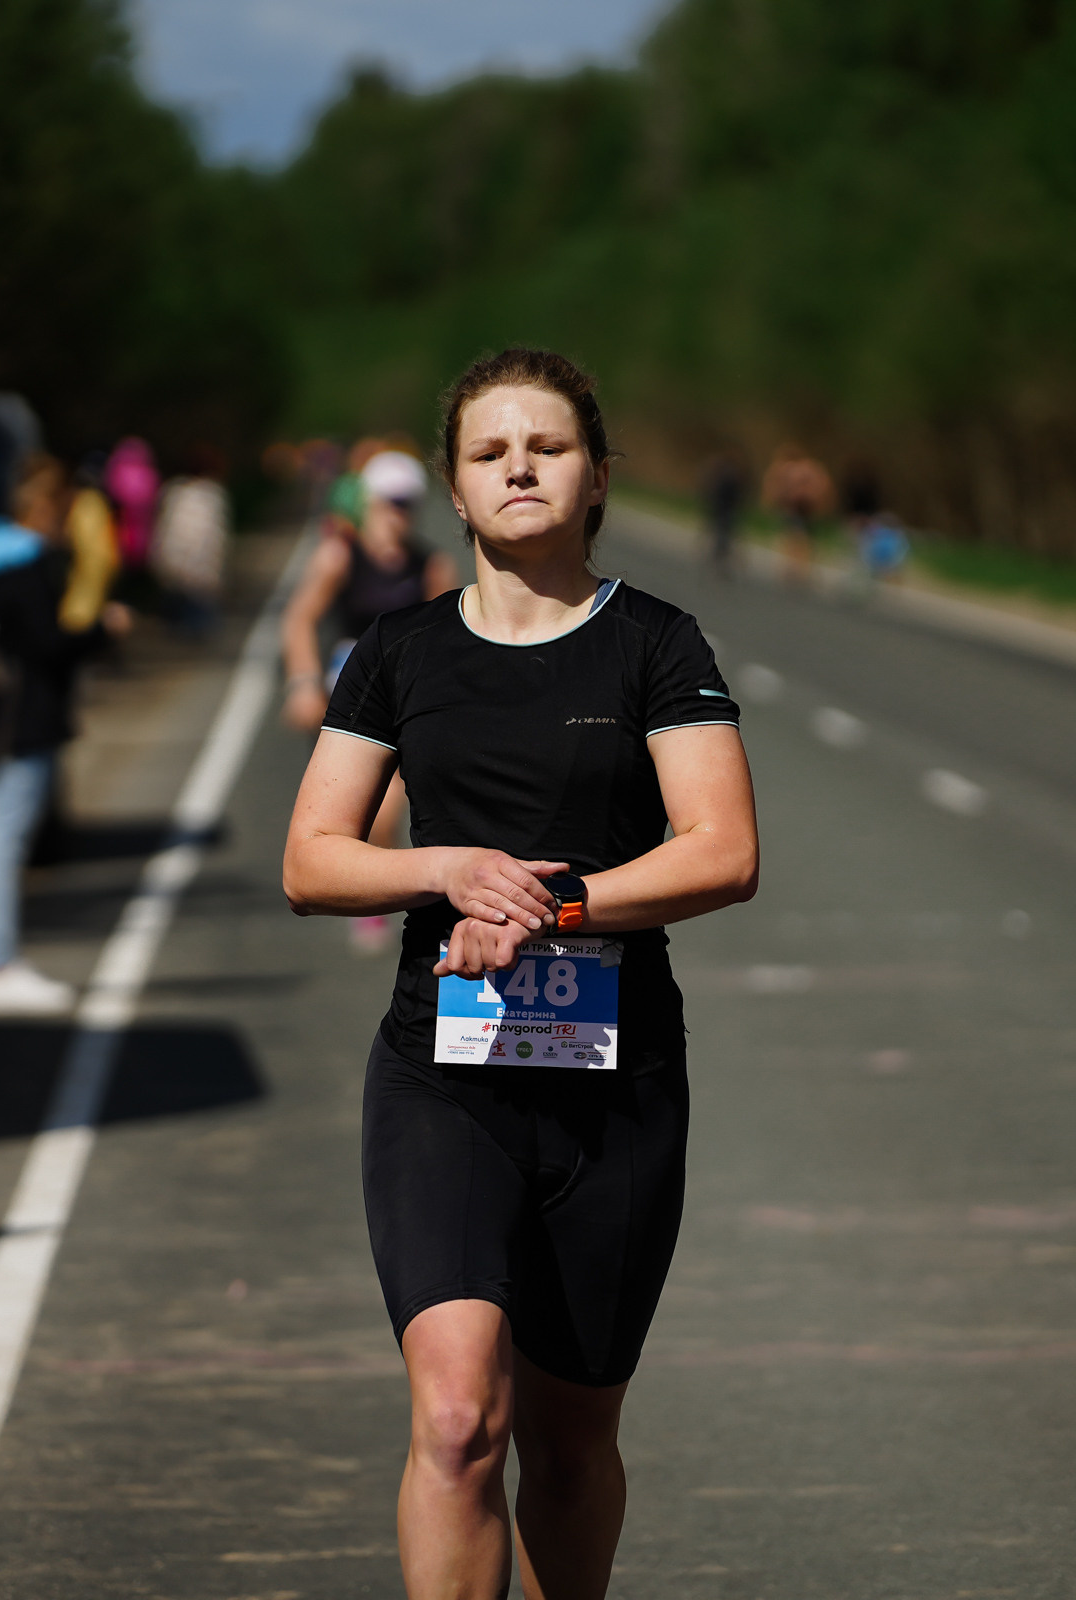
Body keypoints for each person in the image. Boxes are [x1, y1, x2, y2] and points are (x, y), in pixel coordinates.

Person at [282, 347, 759, 1600]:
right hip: (445, 1084)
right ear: (454, 487)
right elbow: (313, 859)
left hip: (618, 1090)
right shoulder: (397, 653)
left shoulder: (657, 642)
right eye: (490, 451)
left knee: (568, 1442)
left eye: (546, 447)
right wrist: (446, 870)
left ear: (597, 477)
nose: (520, 469)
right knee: (457, 1425)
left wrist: (551, 902)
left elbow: (724, 850)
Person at [281, 448, 460, 950]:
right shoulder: (341, 555)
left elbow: (450, 636)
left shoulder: (430, 565)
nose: (397, 513)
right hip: (352, 691)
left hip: (407, 692)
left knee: (388, 812)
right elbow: (299, 618)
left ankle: (377, 893)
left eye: (407, 503)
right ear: (370, 503)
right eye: (389, 502)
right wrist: (302, 682)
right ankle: (362, 888)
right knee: (355, 810)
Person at [0, 453, 86, 1015]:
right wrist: (102, 633)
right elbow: (46, 647)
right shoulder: (24, 566)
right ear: (42, 505)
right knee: (0, 841)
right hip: (21, 720)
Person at [153, 444, 232, 638]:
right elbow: (215, 536)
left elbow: (163, 527)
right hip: (201, 569)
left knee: (176, 623)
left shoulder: (174, 491)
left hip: (172, 563)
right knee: (199, 624)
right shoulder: (212, 495)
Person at [761, 443, 831, 580]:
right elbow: (823, 486)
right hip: (808, 506)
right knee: (802, 535)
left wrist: (774, 499)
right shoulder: (812, 467)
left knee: (795, 535)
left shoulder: (793, 468)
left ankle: (795, 566)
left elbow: (781, 487)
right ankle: (801, 567)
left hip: (796, 506)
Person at [104, 436, 161, 570]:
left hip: (120, 535)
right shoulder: (150, 474)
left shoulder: (117, 469)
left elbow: (112, 495)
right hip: (145, 536)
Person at [699, 451, 744, 575]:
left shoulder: (720, 474)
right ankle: (720, 557)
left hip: (720, 509)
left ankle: (718, 557)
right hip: (727, 510)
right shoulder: (734, 476)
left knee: (719, 535)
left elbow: (710, 491)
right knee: (723, 535)